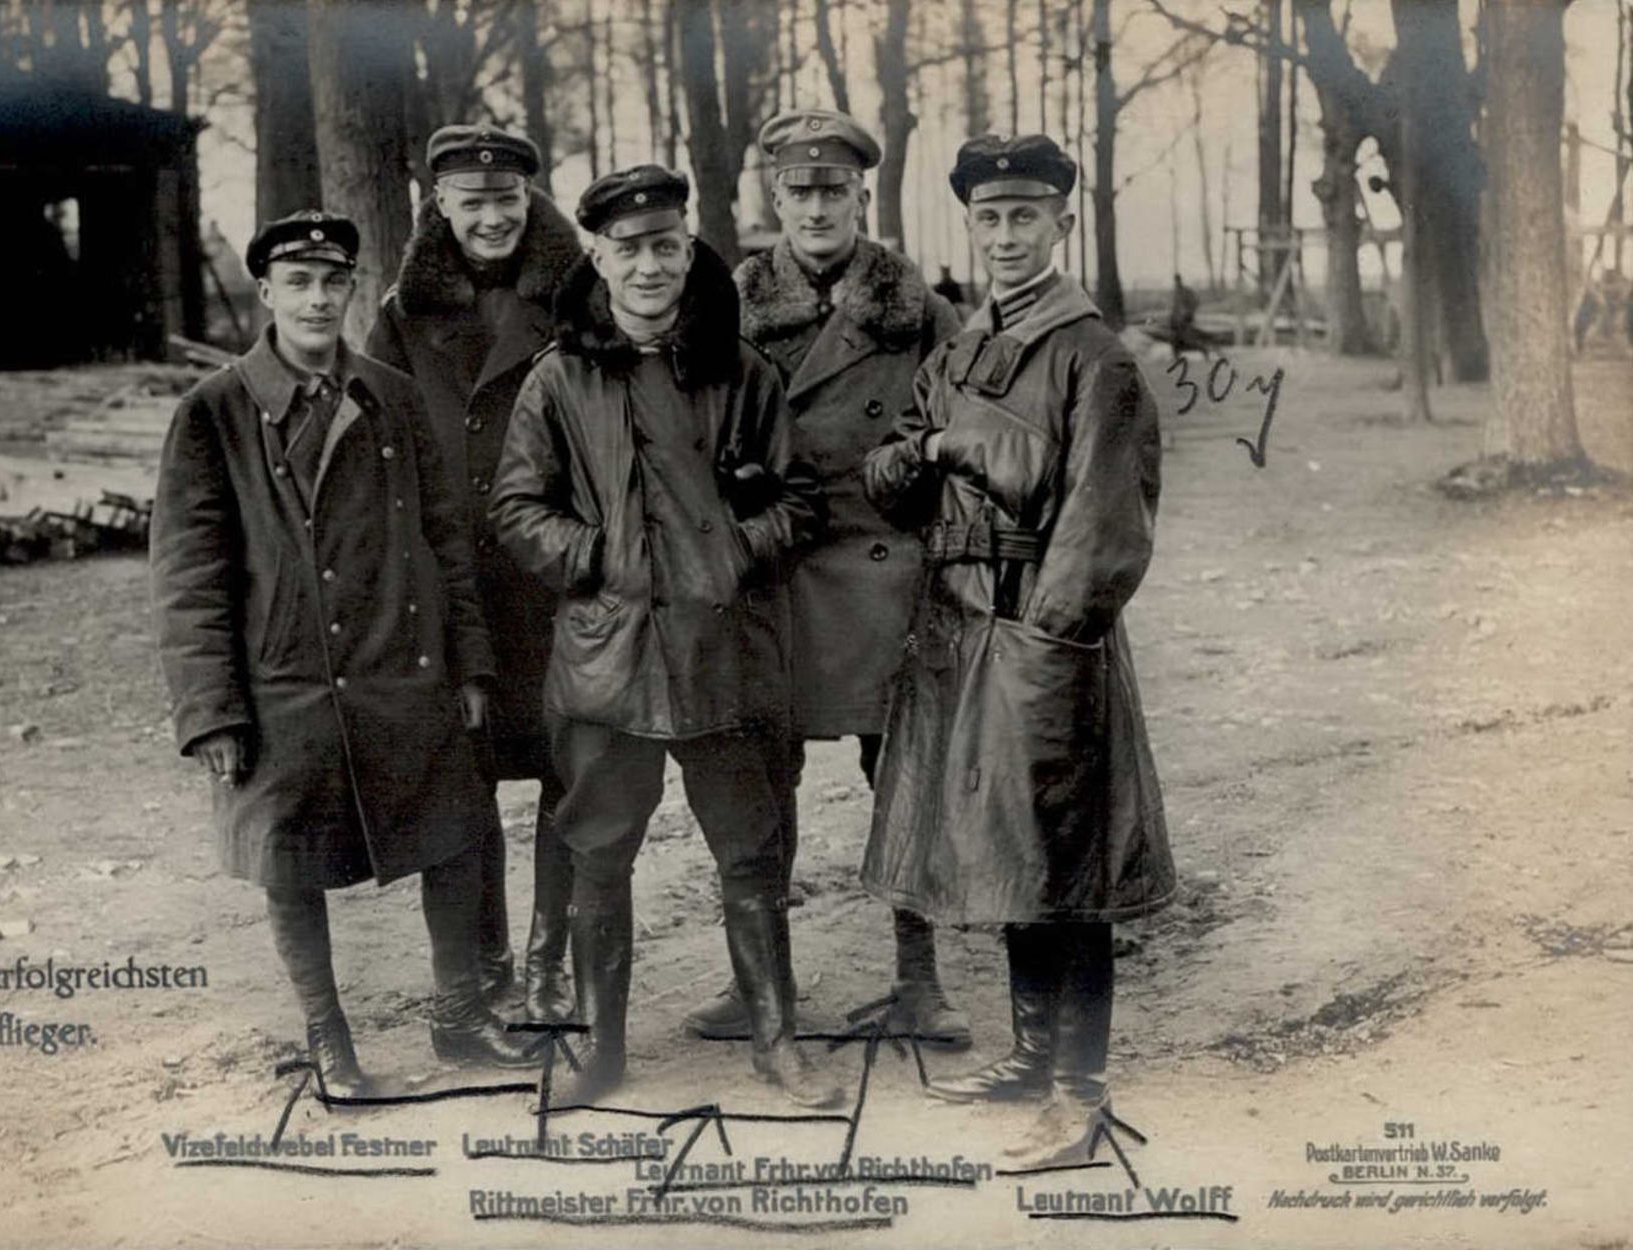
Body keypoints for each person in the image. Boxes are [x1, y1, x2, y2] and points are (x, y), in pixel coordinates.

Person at [150, 209, 541, 1099]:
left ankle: (462, 1017)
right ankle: (329, 1040)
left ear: (351, 289)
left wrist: (472, 663)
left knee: (457, 834)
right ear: (268, 293)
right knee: (290, 860)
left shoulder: (389, 395)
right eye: (300, 283)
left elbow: (445, 540)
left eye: (334, 283)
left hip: (402, 668)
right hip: (283, 681)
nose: (319, 299)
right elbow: (188, 578)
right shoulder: (213, 413)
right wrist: (209, 709)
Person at [489, 165, 842, 1109]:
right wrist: (600, 555)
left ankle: (776, 1041)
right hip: (608, 664)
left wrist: (731, 549)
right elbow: (517, 508)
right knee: (598, 857)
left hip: (726, 658)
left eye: (665, 246)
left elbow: (802, 500)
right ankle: (600, 1052)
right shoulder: (556, 380)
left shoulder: (745, 370)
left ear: (690, 249)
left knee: (752, 852)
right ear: (597, 258)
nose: (649, 267)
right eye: (628, 250)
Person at [860, 136, 1175, 1160]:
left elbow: (1105, 523)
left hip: (1042, 636)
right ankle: (1034, 1057)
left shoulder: (1096, 358)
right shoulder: (956, 351)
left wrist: (1052, 639)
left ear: (1059, 226)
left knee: (1062, 864)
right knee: (1005, 854)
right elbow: (899, 475)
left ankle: (1079, 1094)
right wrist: (922, 455)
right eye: (989, 218)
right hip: (956, 629)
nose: (1004, 236)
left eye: (1025, 217)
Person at [682, 108, 968, 1049]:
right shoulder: (723, 299)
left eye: (834, 190)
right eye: (799, 190)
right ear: (774, 196)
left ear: (861, 197)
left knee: (906, 779)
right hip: (771, 571)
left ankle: (920, 983)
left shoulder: (919, 310)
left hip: (887, 568)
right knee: (762, 782)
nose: (816, 206)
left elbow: (962, 428)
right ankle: (764, 984)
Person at [366, 125, 584, 1024]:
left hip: (557, 583)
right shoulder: (401, 312)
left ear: (529, 200)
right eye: (473, 202)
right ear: (440, 206)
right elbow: (380, 439)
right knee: (463, 784)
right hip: (457, 589)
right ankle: (479, 965)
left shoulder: (582, 296)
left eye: (507, 200)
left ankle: (548, 965)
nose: (492, 218)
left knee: (572, 779)